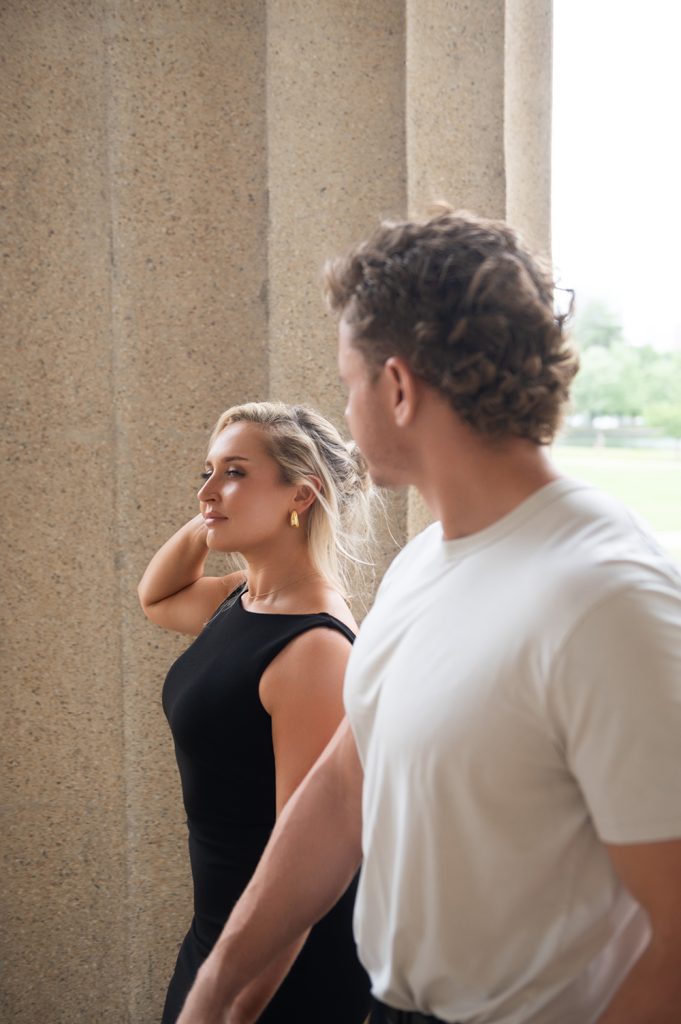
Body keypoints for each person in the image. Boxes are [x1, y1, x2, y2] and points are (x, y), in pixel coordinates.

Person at [175, 209, 681, 1024]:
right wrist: (216, 994)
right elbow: (343, 787)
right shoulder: (425, 563)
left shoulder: (607, 597)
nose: (344, 413)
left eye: (349, 384)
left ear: (399, 387)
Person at [137, 401, 373, 1024]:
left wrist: (232, 1002)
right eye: (206, 472)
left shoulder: (315, 648)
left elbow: (309, 855)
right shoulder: (246, 596)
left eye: (234, 472)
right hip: (218, 934)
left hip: (280, 964)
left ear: (302, 495)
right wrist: (214, 512)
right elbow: (158, 598)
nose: (206, 490)